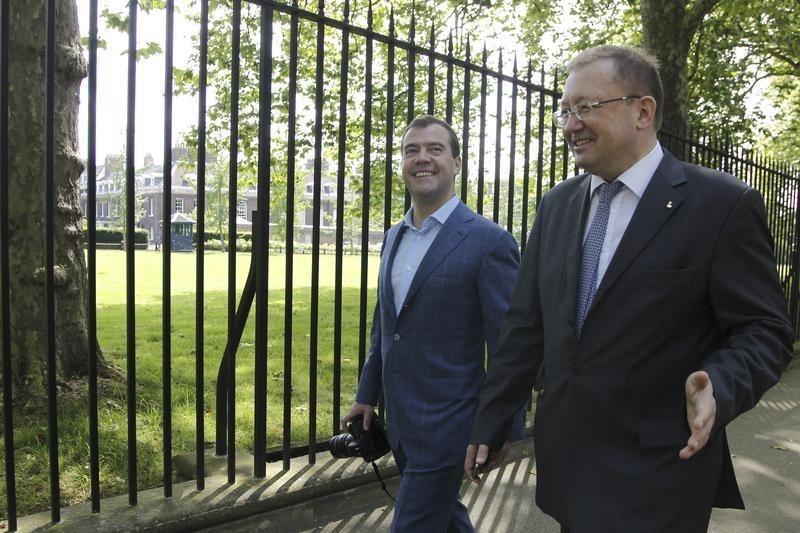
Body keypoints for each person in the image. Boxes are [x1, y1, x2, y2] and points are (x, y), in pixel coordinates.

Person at [465, 45, 794, 532]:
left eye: (586, 107)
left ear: (643, 111)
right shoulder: (557, 205)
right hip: (568, 466)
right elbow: (525, 326)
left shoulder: (721, 205)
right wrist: (492, 419)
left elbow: (765, 330)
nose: (570, 124)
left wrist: (719, 385)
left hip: (660, 474)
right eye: (564, 111)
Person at [342, 115, 521, 532]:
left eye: (435, 149)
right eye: (412, 150)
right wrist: (368, 394)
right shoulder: (393, 237)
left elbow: (509, 345)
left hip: (450, 427)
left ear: (456, 164)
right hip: (401, 423)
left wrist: (501, 428)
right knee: (447, 519)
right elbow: (385, 325)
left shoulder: (490, 242)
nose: (422, 158)